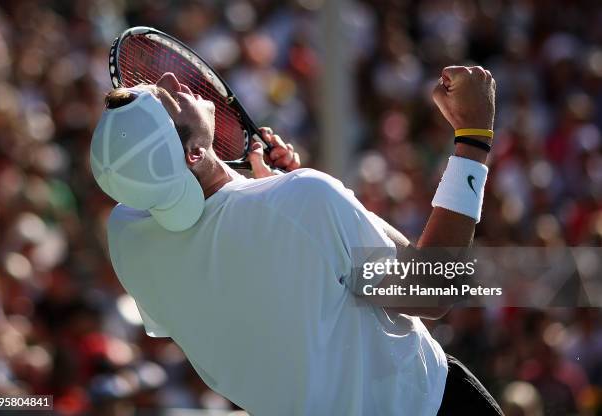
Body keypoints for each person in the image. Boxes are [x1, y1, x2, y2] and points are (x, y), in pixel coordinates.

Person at [89, 68, 503, 415]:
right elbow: (431, 289)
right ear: (194, 153)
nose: (167, 77)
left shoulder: (127, 239)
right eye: (165, 97)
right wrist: (474, 136)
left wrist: (272, 192)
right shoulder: (302, 202)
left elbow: (226, 246)